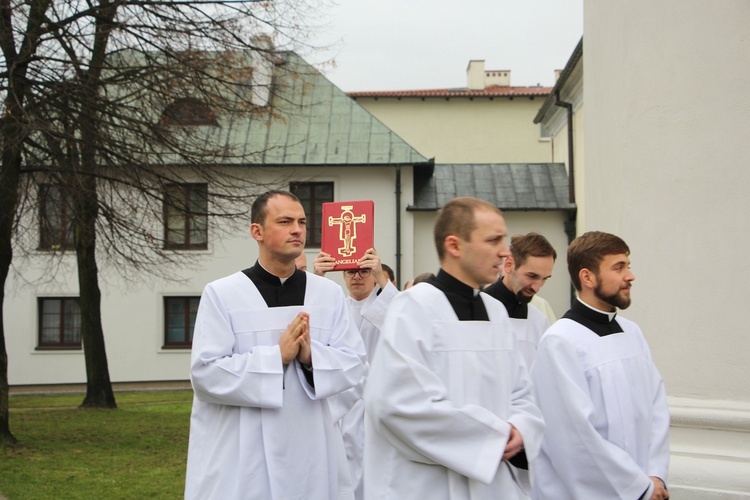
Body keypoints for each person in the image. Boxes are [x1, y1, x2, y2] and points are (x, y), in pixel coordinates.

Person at [185, 190, 366, 500]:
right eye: (284, 221)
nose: (297, 229)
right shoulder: (223, 294)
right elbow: (205, 373)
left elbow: (355, 364)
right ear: (257, 231)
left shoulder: (328, 294)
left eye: (302, 222)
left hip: (312, 445)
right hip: (246, 448)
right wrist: (276, 358)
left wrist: (311, 358)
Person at [364, 197, 544, 499]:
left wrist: (520, 429)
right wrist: (493, 437)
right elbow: (397, 406)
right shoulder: (413, 307)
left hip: (493, 485)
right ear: (454, 245)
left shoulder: (496, 312)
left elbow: (523, 393)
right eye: (493, 240)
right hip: (426, 485)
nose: (504, 251)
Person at [530, 231, 670, 500]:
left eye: (628, 266)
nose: (630, 276)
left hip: (646, 485)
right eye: (618, 267)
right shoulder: (561, 341)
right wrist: (636, 487)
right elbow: (573, 437)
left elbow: (657, 409)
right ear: (587, 277)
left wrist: (655, 474)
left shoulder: (632, 333)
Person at [314, 248, 399, 500]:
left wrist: (383, 278)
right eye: (351, 271)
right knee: (344, 471)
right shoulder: (335, 307)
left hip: (379, 402)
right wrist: (318, 278)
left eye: (364, 271)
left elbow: (401, 324)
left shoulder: (388, 304)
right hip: (343, 403)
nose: (357, 277)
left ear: (375, 275)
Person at [484, 232, 557, 367]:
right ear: (509, 265)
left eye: (544, 278)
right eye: (532, 276)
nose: (537, 287)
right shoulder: (479, 310)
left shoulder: (539, 321)